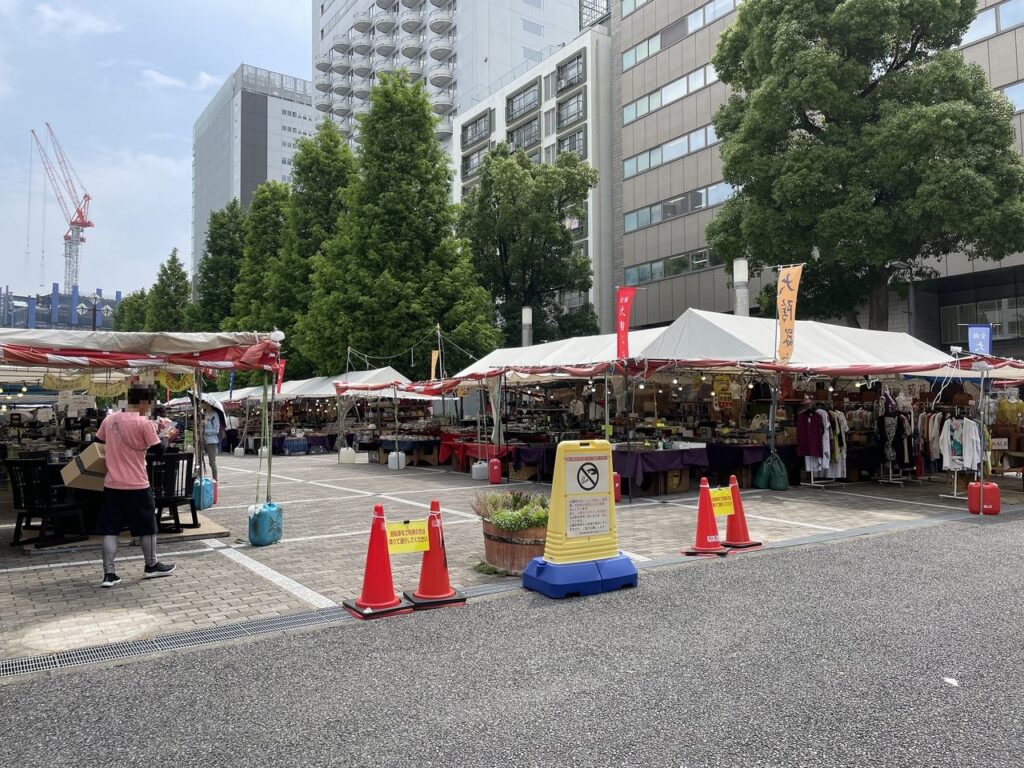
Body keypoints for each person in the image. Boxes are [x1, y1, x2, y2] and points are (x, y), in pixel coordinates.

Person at [95, 384, 175, 588]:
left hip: (112, 483)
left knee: (110, 528)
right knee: (146, 526)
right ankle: (151, 565)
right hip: (137, 483)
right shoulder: (144, 422)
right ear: (143, 402)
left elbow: (97, 441)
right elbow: (159, 451)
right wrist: (165, 433)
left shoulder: (110, 418)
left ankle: (109, 574)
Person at [201, 403, 222, 481]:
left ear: (208, 404)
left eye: (204, 403)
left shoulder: (215, 415)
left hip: (211, 440)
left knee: (212, 462)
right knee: (200, 461)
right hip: (202, 440)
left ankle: (215, 480)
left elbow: (216, 430)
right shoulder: (204, 413)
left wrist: (205, 431)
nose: (202, 404)